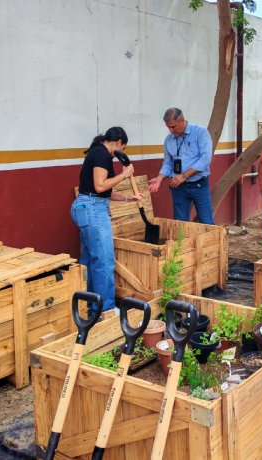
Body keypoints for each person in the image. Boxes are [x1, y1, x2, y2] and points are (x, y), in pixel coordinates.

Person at [71, 127, 142, 318]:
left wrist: (128, 198)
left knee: (89, 259)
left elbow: (102, 192)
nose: (120, 154)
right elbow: (100, 185)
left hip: (86, 207)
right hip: (93, 210)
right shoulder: (102, 155)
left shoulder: (97, 153)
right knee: (103, 261)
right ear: (118, 142)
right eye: (122, 149)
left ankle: (88, 305)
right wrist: (124, 174)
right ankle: (106, 309)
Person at [148, 107, 215, 224]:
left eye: (173, 127)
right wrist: (159, 179)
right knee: (179, 223)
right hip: (178, 187)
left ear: (182, 121)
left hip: (198, 184)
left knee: (206, 220)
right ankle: (180, 242)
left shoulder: (200, 132)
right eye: (168, 127)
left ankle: (212, 242)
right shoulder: (169, 140)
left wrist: (184, 176)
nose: (170, 130)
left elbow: (205, 160)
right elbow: (168, 163)